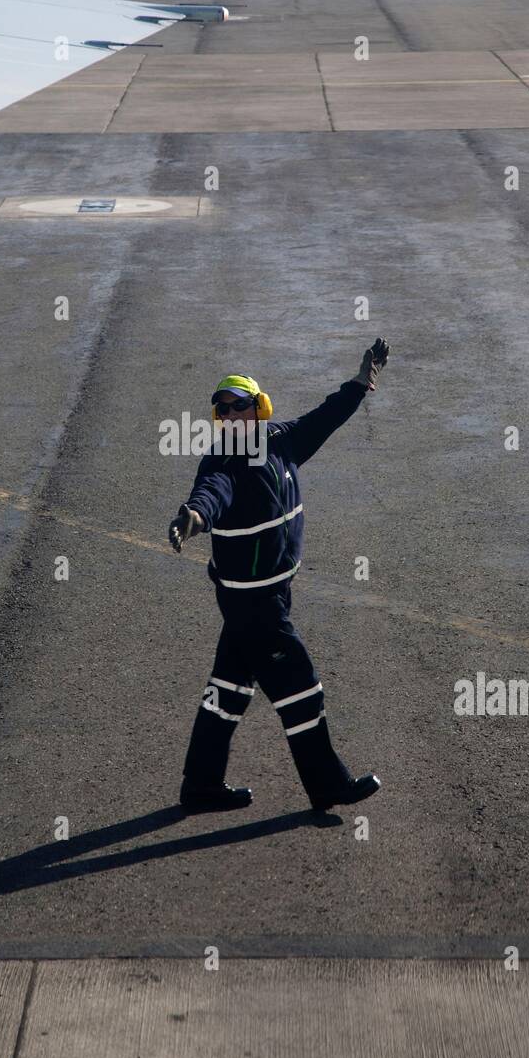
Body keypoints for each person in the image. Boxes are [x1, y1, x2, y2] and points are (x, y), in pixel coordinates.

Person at [169, 340, 390, 813]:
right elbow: (211, 493)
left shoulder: (282, 441)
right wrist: (192, 518)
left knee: (227, 690)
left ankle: (200, 786)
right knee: (301, 688)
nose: (227, 415)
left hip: (267, 595)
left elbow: (324, 417)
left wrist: (360, 383)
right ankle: (328, 785)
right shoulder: (221, 462)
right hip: (256, 604)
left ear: (258, 409)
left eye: (237, 406)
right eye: (220, 409)